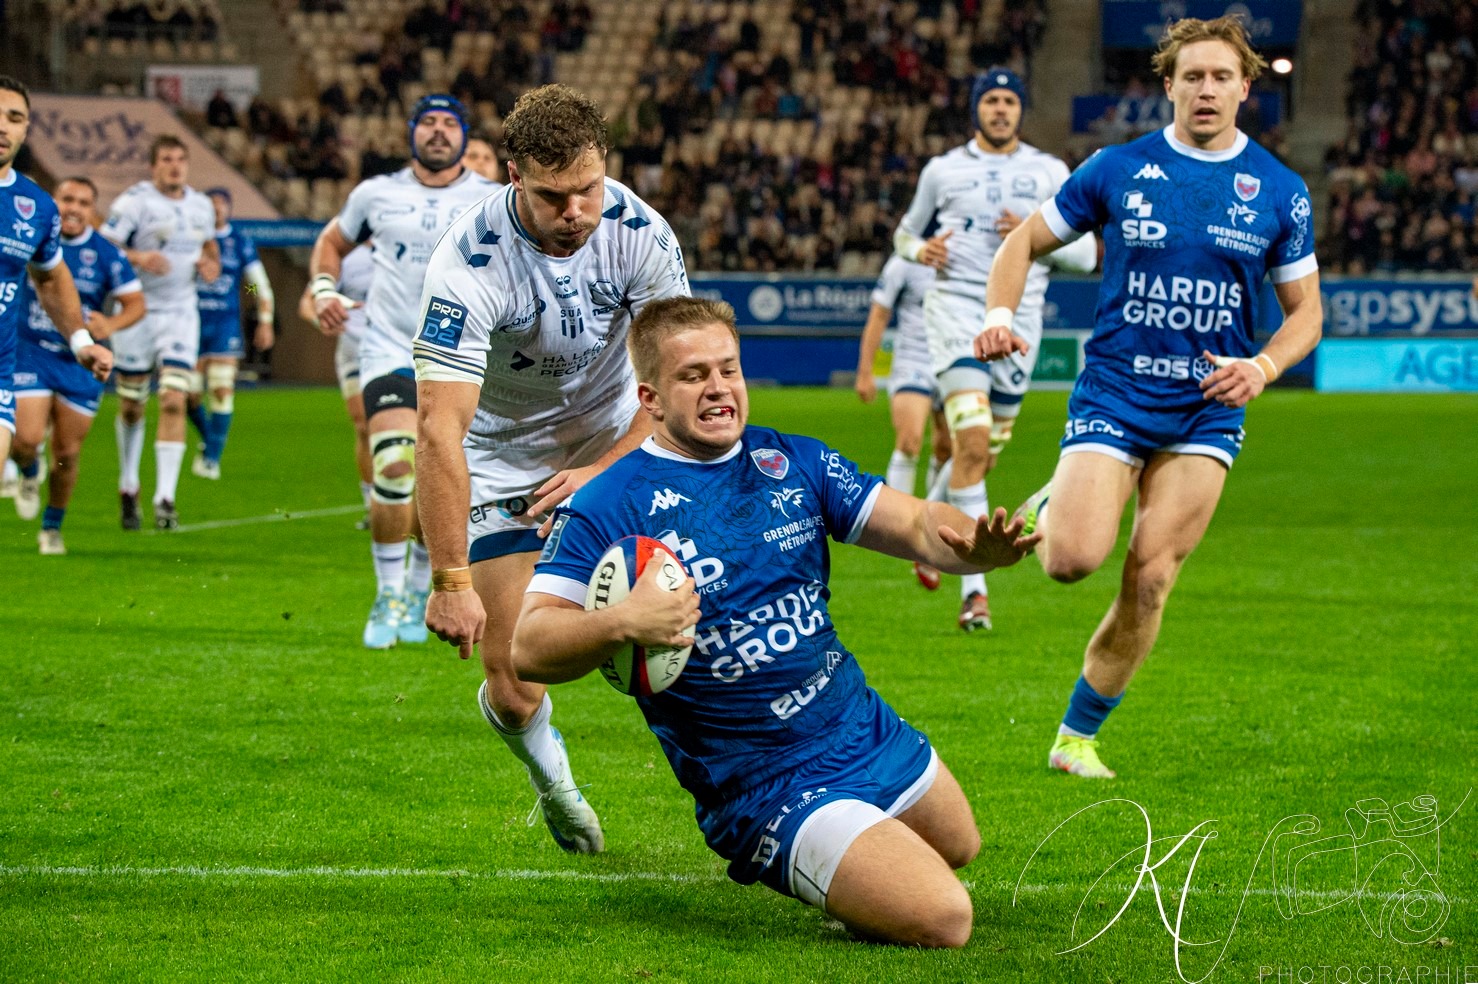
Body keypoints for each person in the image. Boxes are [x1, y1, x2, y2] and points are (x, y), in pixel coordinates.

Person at [508, 297, 1040, 946]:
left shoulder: (792, 462)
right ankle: (810, 849)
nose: (718, 388)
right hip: (762, 779)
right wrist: (623, 622)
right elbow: (529, 647)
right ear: (649, 396)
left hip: (855, 724)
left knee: (959, 841)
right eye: (693, 375)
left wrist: (972, 549)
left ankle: (845, 859)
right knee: (944, 918)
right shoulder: (607, 504)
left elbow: (919, 524)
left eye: (728, 370)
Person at [976, 16, 1323, 778]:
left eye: (1221, 76)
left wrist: (1261, 369)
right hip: (1116, 393)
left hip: (1208, 407)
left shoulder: (1279, 190)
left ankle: (1075, 738)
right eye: (1191, 76)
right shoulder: (1116, 167)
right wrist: (998, 316)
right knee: (1070, 562)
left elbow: (1308, 316)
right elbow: (1023, 242)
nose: (1206, 89)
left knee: (1153, 573)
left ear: (1245, 87)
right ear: (1167, 86)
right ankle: (1061, 498)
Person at [415, 84, 691, 855]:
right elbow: (440, 428)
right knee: (512, 678)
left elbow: (672, 380)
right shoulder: (468, 263)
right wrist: (449, 581)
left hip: (620, 437)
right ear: (513, 177)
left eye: (588, 190)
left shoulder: (640, 232)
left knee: (701, 636)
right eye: (553, 196)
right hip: (504, 461)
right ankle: (557, 786)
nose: (576, 212)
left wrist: (604, 465)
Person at [893, 67, 1097, 632]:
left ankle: (921, 530)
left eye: (1010, 100)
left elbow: (1085, 256)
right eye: (992, 100)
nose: (1001, 109)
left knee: (979, 456)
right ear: (977, 109)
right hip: (956, 313)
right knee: (973, 438)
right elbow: (903, 234)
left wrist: (1033, 237)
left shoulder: (1049, 170)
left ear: (1020, 110)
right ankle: (974, 593)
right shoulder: (944, 169)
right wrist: (921, 249)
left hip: (1020, 325)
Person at [309, 94, 498, 649]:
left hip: (465, 356)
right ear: (410, 132)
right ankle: (389, 591)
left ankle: (422, 582)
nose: (438, 132)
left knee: (437, 475)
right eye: (428, 123)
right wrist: (323, 287)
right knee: (394, 467)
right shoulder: (376, 194)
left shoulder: (492, 200)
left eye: (449, 123)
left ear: (464, 136)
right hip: (392, 347)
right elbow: (331, 242)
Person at [11, 177, 144, 553]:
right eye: (67, 199)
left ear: (93, 211)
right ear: (54, 202)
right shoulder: (30, 235)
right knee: (26, 439)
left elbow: (136, 302)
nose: (73, 207)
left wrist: (111, 324)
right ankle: (28, 469)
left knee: (67, 453)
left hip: (80, 362)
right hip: (31, 350)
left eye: (83, 202)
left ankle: (52, 526)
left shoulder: (106, 254)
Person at [0, 77, 112, 499]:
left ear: (26, 130)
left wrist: (83, 340)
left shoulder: (37, 208)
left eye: (15, 118)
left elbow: (49, 275)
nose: (3, 127)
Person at [101, 134, 220, 531]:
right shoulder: (135, 202)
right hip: (136, 311)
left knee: (173, 398)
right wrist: (137, 257)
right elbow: (102, 248)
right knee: (132, 404)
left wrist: (209, 265)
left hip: (181, 313)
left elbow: (210, 249)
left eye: (180, 159)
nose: (174, 166)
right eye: (166, 159)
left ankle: (165, 498)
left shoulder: (201, 205)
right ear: (153, 166)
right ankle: (128, 484)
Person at [852, 251, 955, 601]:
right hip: (913, 360)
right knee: (910, 440)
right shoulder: (904, 262)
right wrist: (866, 370)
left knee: (948, 449)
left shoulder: (969, 254)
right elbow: (879, 315)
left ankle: (929, 514)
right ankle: (906, 531)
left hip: (954, 358)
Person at [188, 187, 275, 480]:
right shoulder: (190, 239)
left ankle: (212, 458)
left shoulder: (239, 242)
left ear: (228, 209)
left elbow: (254, 285)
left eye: (220, 205)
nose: (215, 210)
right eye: (209, 205)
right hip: (190, 323)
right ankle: (210, 438)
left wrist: (262, 316)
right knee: (190, 396)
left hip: (225, 325)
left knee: (222, 389)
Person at [298, 241, 374, 527]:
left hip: (398, 350)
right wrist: (322, 320)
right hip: (353, 349)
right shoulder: (346, 257)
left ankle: (405, 500)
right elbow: (307, 303)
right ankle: (371, 504)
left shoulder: (405, 247)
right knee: (363, 425)